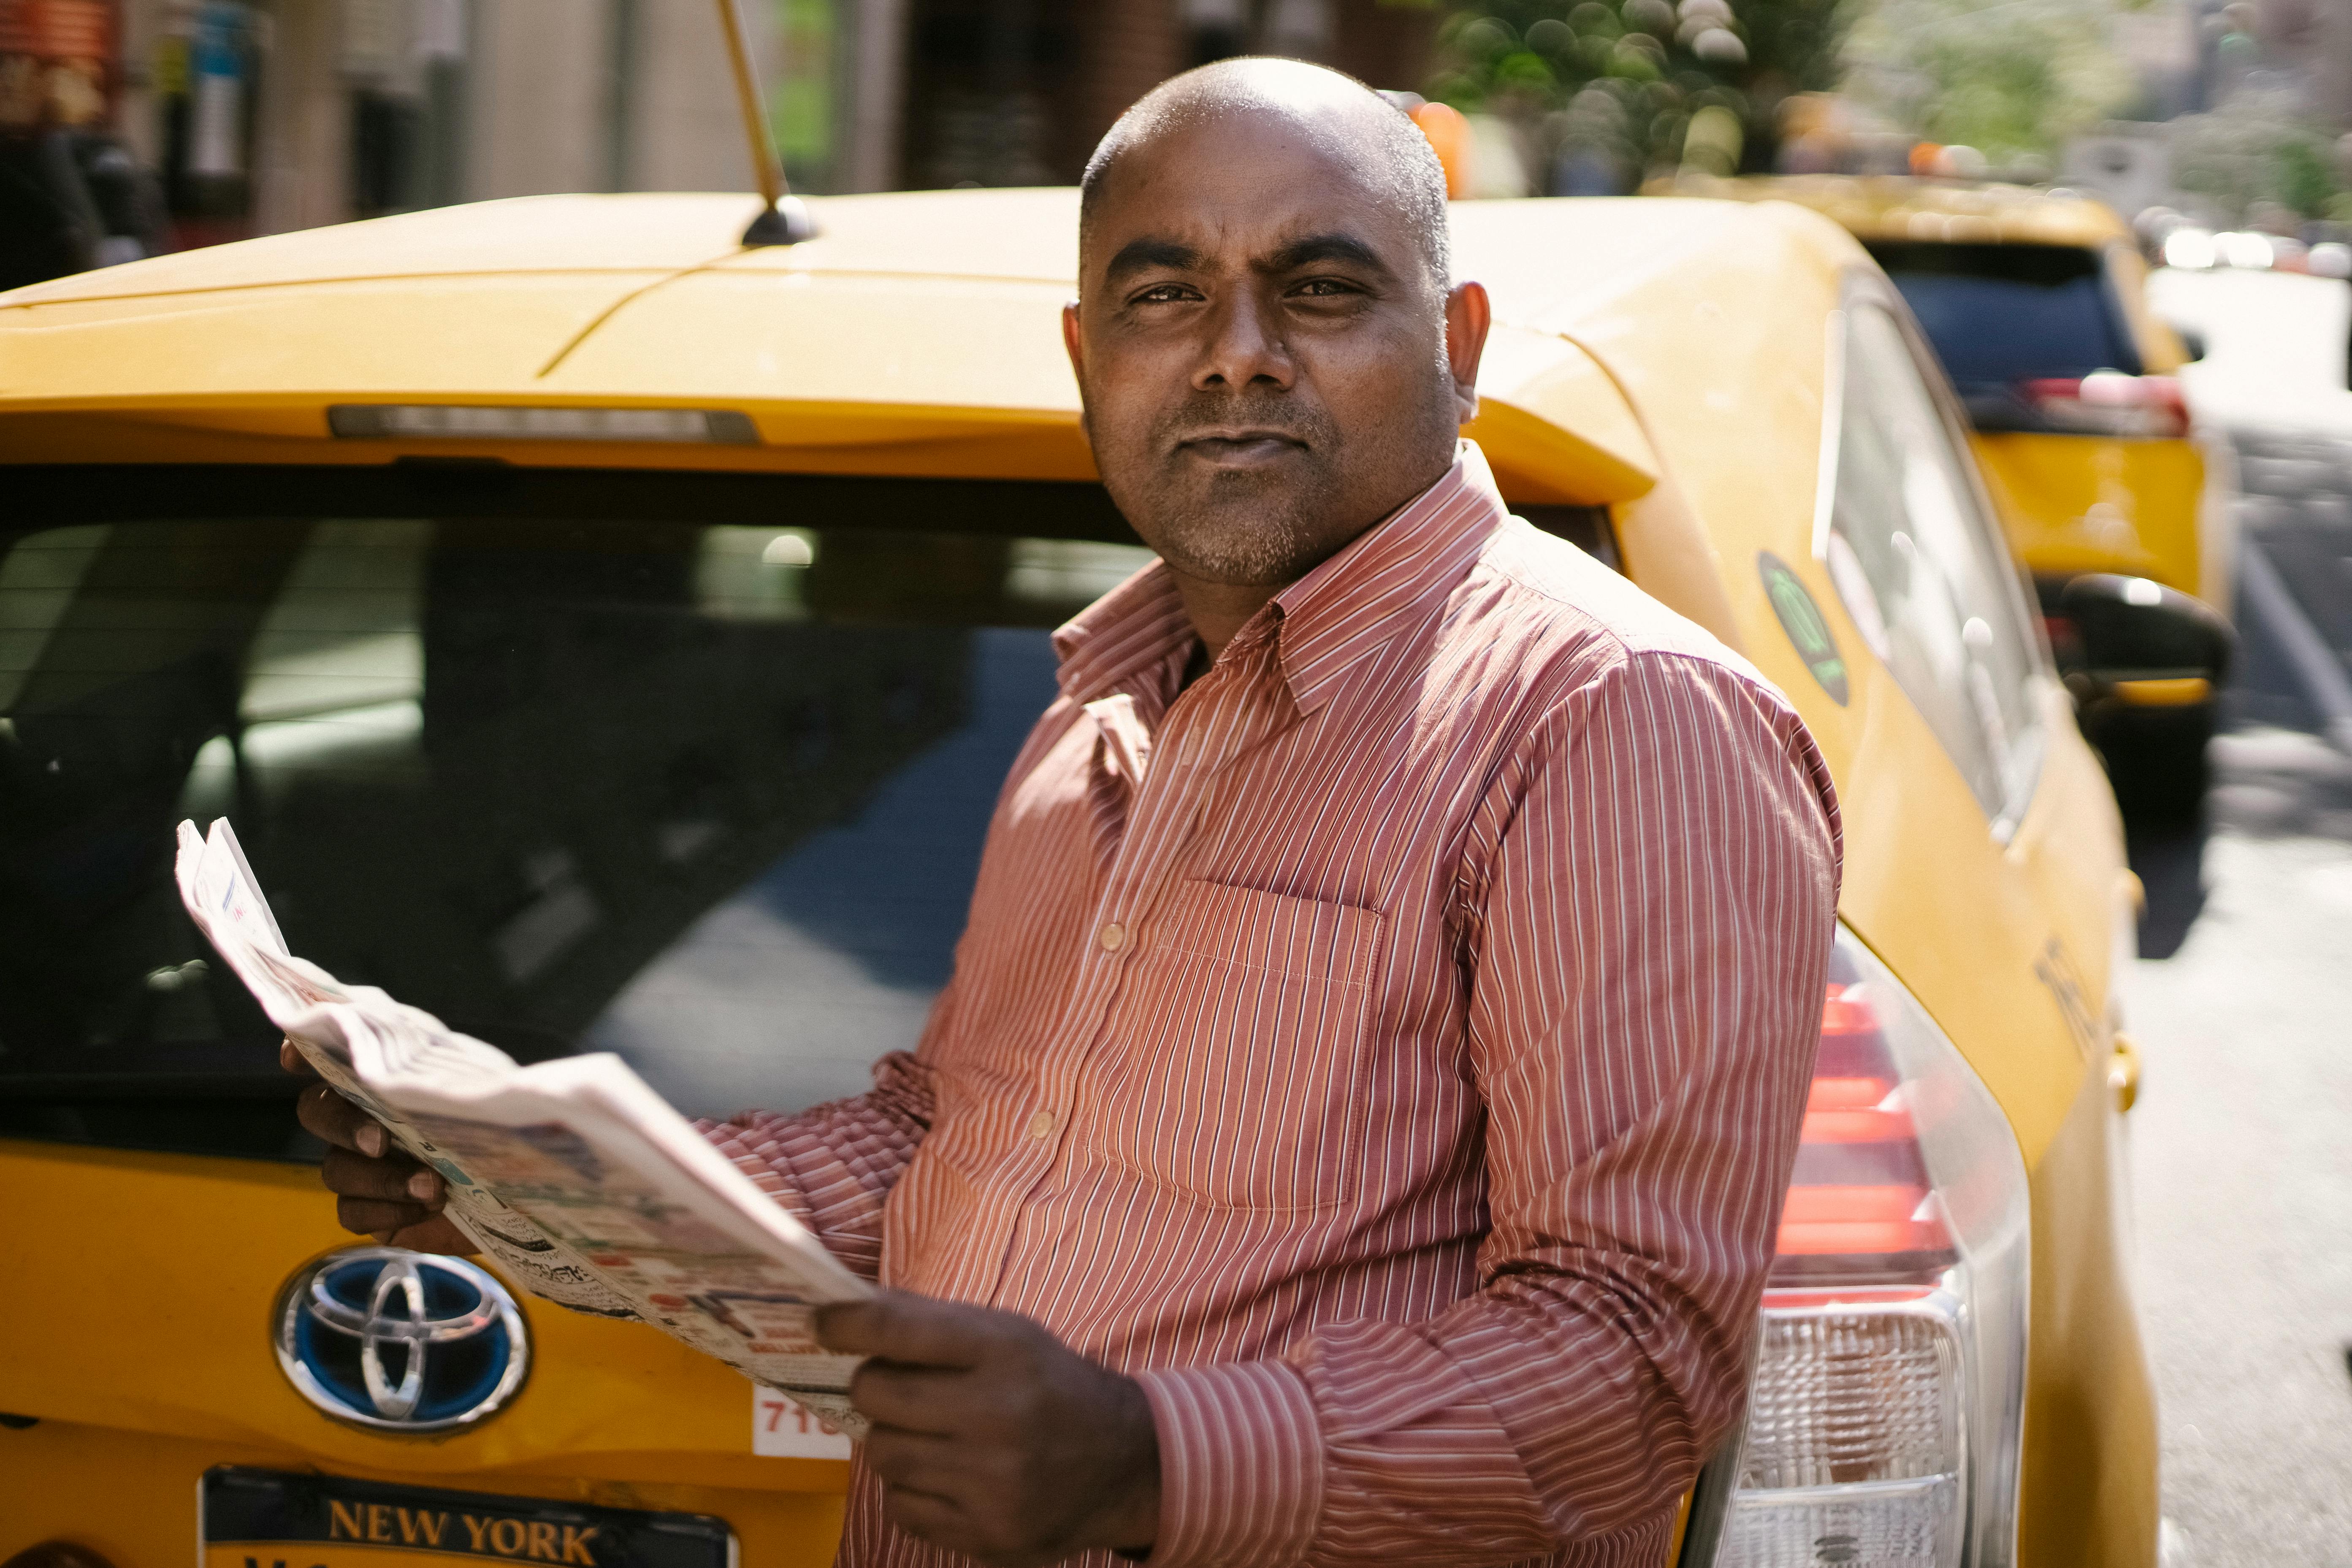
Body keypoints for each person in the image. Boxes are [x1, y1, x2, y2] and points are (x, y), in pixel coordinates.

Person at [296, 57, 1842, 1568]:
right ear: (1086, 352)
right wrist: (514, 1180)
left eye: (1317, 288)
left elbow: (1631, 1361)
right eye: (1162, 295)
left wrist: (1149, 1457)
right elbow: (947, 1145)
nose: (1234, 354)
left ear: (1457, 338)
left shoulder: (1615, 716)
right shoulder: (1095, 704)